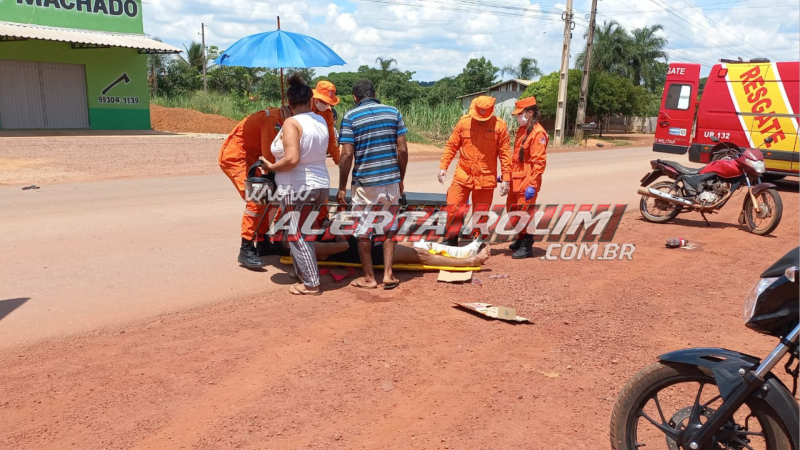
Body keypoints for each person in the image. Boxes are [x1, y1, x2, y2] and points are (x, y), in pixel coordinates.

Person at [260, 73, 330, 296]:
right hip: (319, 184)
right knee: (300, 230)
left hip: (299, 186)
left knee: (298, 233)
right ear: (311, 101)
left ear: (288, 103)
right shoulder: (320, 120)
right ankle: (302, 273)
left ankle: (311, 283)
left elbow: (291, 159)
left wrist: (271, 167)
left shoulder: (292, 123)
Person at [337, 79, 409, 290]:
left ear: (355, 97)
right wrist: (400, 178)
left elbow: (347, 154)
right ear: (374, 94)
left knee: (363, 230)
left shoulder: (350, 116)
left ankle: (369, 278)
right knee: (389, 227)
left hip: (365, 182)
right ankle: (388, 274)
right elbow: (402, 150)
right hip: (390, 182)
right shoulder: (394, 112)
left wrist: (342, 186)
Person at [438, 95, 511, 246]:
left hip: (486, 177)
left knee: (481, 213)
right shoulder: (464, 123)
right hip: (463, 174)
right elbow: (452, 146)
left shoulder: (500, 126)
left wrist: (506, 179)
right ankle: (451, 239)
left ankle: (477, 242)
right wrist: (443, 167)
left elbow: (505, 154)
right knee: (454, 207)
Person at [218, 105, 285, 269]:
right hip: (237, 157)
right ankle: (246, 249)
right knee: (257, 199)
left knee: (268, 199)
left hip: (253, 158)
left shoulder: (289, 121)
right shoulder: (273, 120)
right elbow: (269, 154)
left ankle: (262, 242)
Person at [280, 236, 492, 271]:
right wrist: (335, 230)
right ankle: (470, 261)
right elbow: (342, 246)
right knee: (420, 255)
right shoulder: (308, 249)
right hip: (367, 253)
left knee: (416, 242)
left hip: (368, 243)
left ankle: (464, 251)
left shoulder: (309, 239)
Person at [507, 96, 548, 259]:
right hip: (516, 177)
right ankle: (521, 237)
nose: (518, 117)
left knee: (525, 212)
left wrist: (533, 184)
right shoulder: (522, 130)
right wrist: (505, 175)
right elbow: (516, 157)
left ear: (530, 113)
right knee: (513, 210)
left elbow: (539, 162)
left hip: (528, 180)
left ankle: (527, 245)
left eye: (520, 114)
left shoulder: (538, 133)